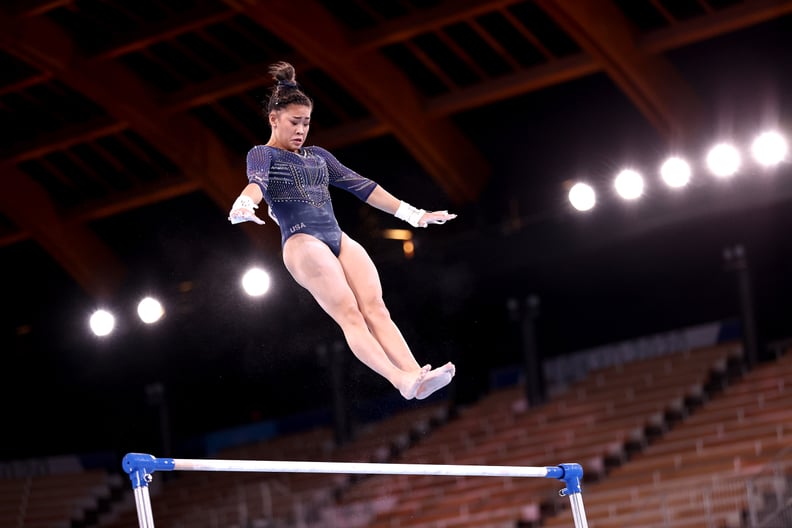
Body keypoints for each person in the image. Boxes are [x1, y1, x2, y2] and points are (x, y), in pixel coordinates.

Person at [228, 61, 457, 401]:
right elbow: (256, 184)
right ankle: (398, 379)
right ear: (274, 119)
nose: (301, 129)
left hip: (338, 238)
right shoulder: (262, 155)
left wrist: (414, 215)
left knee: (376, 309)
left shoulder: (319, 156)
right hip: (302, 241)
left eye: (306, 122)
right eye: (294, 122)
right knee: (350, 313)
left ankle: (415, 376)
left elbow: (362, 186)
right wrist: (244, 204)